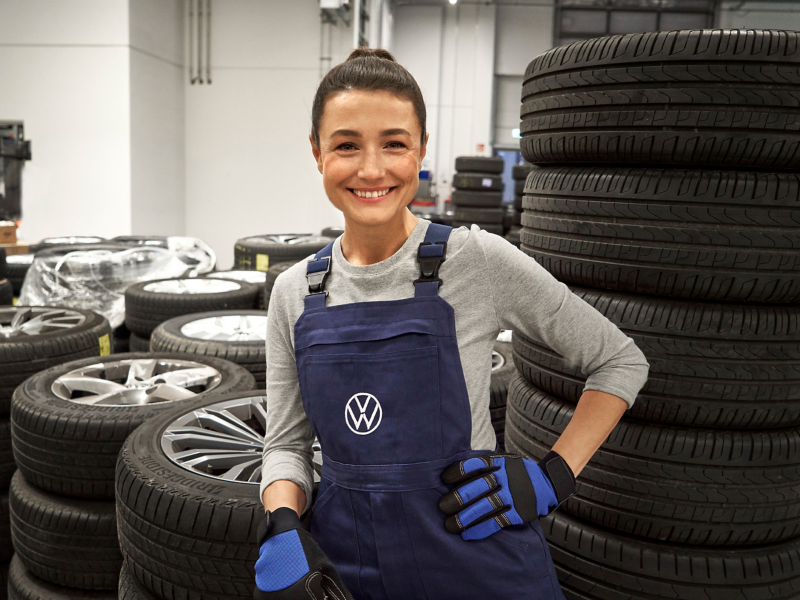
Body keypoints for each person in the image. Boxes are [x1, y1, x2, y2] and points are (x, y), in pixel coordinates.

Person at [254, 48, 649, 600]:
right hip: (347, 561)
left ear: (421, 150)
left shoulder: (475, 261)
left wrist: (553, 476)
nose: (371, 169)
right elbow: (287, 445)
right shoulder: (294, 292)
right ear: (318, 154)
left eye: (394, 143)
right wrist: (282, 522)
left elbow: (620, 360)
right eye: (347, 145)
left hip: (475, 553)